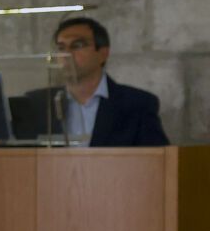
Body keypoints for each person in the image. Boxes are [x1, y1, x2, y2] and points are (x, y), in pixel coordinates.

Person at [22, 14, 168, 147]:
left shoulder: (137, 104)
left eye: (77, 45)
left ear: (103, 53)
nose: (67, 54)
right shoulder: (38, 103)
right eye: (61, 48)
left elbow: (158, 161)